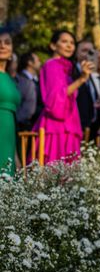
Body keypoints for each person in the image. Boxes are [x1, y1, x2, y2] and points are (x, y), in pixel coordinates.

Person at [33, 30, 92, 164]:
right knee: (55, 167)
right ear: (53, 46)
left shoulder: (67, 67)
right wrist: (81, 79)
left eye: (72, 43)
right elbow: (56, 98)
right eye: (64, 42)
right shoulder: (52, 65)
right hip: (56, 123)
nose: (69, 46)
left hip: (70, 120)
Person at [0, 30, 21, 176]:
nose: (2, 46)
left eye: (7, 42)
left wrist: (16, 155)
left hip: (9, 137)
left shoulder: (9, 78)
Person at [75, 39, 100, 141]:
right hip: (77, 126)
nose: (88, 54)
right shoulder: (71, 72)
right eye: (84, 51)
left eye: (91, 51)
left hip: (92, 128)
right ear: (76, 53)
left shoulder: (91, 74)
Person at [15, 51, 42, 132]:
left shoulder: (37, 80)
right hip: (22, 127)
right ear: (30, 62)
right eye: (38, 60)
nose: (40, 63)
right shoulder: (20, 80)